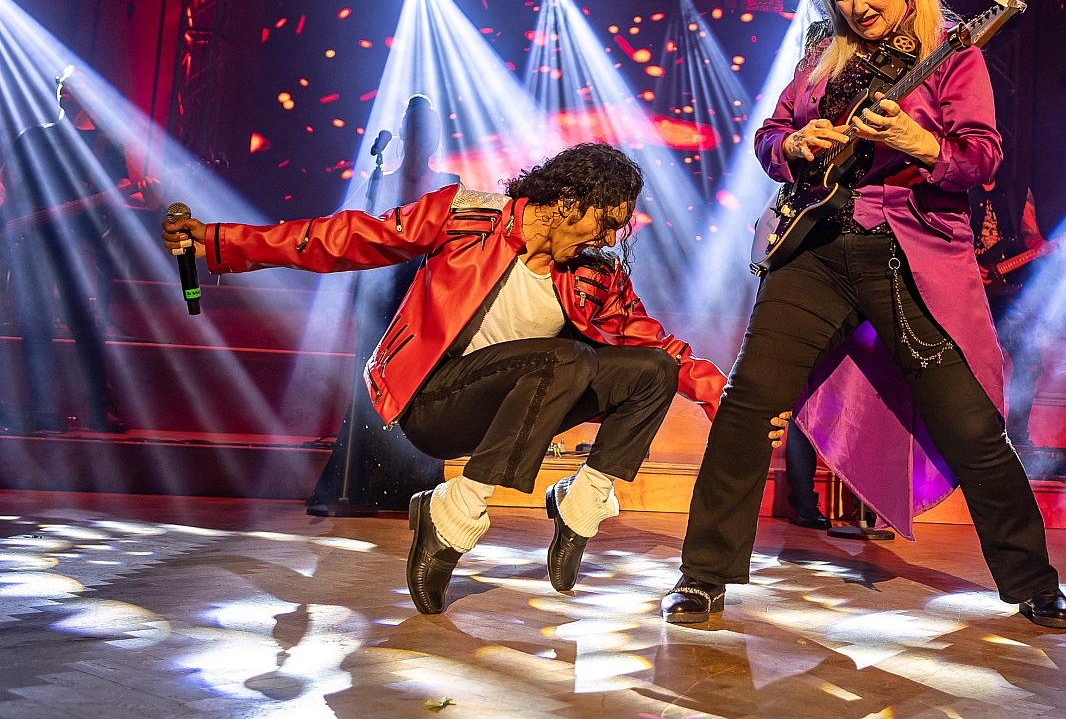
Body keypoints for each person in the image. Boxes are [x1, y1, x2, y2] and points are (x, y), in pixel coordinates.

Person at [662, 0, 1066, 630]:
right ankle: (703, 577)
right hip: (814, 251)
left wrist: (920, 145)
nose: (857, 6)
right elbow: (770, 133)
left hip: (908, 254)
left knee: (969, 422)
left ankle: (1033, 580)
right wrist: (793, 145)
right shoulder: (821, 54)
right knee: (750, 402)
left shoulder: (954, 49)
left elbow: (982, 157)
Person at [162, 143, 725, 614]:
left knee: (654, 370)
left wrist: (728, 401)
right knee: (569, 358)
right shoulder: (466, 216)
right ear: (568, 202)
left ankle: (581, 502)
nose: (607, 239)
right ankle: (450, 519)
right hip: (436, 404)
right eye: (605, 222)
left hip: (520, 406)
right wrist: (219, 240)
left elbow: (660, 346)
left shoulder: (593, 276)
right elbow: (345, 237)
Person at [306, 94, 459, 513]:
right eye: (415, 131)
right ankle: (352, 486)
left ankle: (416, 486)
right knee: (371, 387)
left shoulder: (450, 185)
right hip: (378, 295)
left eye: (429, 133)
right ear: (404, 137)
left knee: (420, 387)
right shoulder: (378, 182)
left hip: (425, 298)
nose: (422, 140)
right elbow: (343, 227)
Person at [0, 69, 154, 434]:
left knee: (86, 322)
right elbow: (6, 183)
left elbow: (123, 193)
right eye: (61, 83)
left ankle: (101, 408)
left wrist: (150, 195)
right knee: (36, 323)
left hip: (82, 244)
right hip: (36, 242)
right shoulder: (34, 137)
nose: (63, 86)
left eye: (72, 83)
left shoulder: (106, 145)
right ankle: (40, 408)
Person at [973, 183, 1047, 447]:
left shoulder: (1017, 189)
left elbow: (1030, 235)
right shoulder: (959, 179)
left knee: (1029, 361)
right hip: (964, 287)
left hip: (1003, 292)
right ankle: (973, 434)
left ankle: (1015, 436)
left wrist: (1045, 247)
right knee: (973, 363)